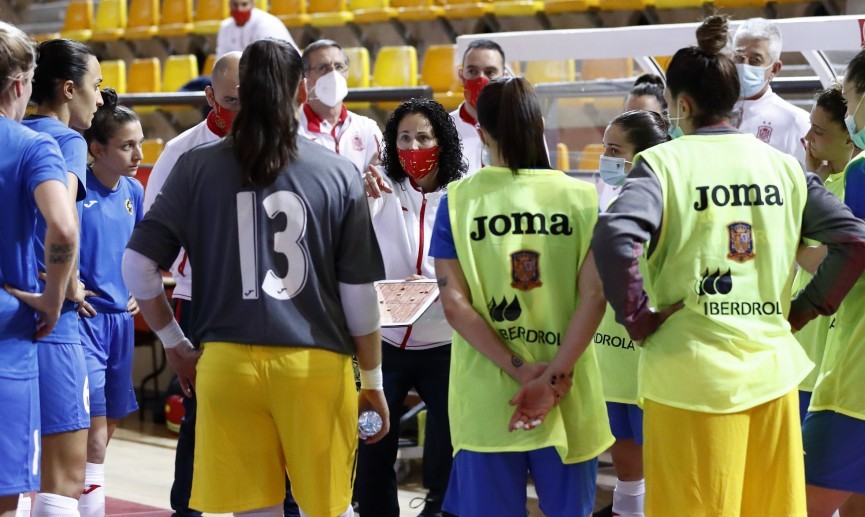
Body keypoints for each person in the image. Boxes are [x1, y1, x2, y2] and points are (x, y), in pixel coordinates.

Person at [592, 15, 865, 516]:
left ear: (683, 104)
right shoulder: (783, 166)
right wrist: (804, 310)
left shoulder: (665, 164)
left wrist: (637, 317)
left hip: (689, 379)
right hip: (772, 377)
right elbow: (853, 241)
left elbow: (613, 236)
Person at [123, 39, 389, 517]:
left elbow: (137, 267)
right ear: (301, 93)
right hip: (314, 365)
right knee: (329, 510)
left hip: (226, 365)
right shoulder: (338, 173)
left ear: (242, 93)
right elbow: (358, 295)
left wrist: (176, 343)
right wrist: (372, 380)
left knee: (253, 513)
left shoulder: (195, 165)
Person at [431, 77, 613, 517]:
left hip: (489, 396)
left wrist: (518, 368)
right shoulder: (582, 198)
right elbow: (595, 296)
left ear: (482, 133)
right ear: (540, 126)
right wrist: (551, 379)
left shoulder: (458, 201)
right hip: (568, 390)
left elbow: (455, 305)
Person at [142, 51, 300, 517]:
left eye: (248, 99)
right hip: (204, 300)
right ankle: (186, 510)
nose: (239, 110)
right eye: (230, 100)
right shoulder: (182, 153)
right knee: (199, 417)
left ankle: (284, 505)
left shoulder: (285, 147)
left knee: (279, 414)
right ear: (209, 96)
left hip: (276, 300)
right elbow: (150, 245)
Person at [355, 97, 467, 517]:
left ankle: (442, 509)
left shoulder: (462, 195)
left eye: (423, 136)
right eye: (404, 137)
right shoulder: (378, 185)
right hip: (383, 340)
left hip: (444, 340)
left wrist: (438, 286)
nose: (414, 146)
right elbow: (350, 248)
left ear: (442, 142)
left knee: (453, 439)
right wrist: (362, 197)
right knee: (372, 439)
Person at [22, 37, 103, 517]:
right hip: (52, 319)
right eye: (96, 85)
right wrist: (64, 283)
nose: (100, 96)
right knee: (63, 479)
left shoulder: (13, 133)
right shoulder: (67, 140)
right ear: (69, 89)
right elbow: (61, 219)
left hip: (11, 308)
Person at [0, 20, 78, 517]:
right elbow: (64, 228)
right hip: (6, 329)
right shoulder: (32, 145)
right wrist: (52, 296)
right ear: (19, 84)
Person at [593, 110, 669, 517]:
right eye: (605, 147)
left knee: (655, 445)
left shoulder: (663, 201)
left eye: (615, 150)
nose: (605, 158)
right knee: (619, 438)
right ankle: (627, 508)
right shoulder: (607, 194)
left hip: (646, 345)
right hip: (610, 344)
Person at [76, 88, 144, 517]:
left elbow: (139, 251)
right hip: (83, 321)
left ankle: (76, 487)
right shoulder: (74, 190)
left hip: (122, 322)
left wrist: (139, 288)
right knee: (93, 429)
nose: (138, 153)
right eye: (127, 145)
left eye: (140, 143)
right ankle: (86, 503)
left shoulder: (134, 192)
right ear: (97, 149)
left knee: (110, 421)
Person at [803, 49, 865, 517]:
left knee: (798, 502)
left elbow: (847, 260)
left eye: (850, 97)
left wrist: (799, 312)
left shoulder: (859, 176)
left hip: (855, 378)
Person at [792, 85, 853, 421]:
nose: (808, 138)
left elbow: (822, 262)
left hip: (831, 344)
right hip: (804, 344)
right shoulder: (820, 181)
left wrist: (789, 240)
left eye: (818, 130)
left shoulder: (854, 187)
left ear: (849, 136)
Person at [732, 17, 810, 166]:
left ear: (774, 69)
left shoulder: (796, 122)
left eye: (755, 60)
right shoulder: (714, 113)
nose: (744, 66)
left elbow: (809, 182)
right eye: (739, 57)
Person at [299, 40, 382, 175]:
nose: (333, 73)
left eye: (338, 66)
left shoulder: (367, 129)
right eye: (323, 68)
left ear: (347, 73)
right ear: (305, 77)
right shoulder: (293, 131)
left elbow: (385, 181)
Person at [449, 39, 507, 175]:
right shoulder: (441, 129)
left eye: (490, 72)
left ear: (504, 77)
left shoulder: (521, 128)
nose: (481, 79)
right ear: (462, 77)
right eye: (472, 71)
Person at [215, 0, 297, 57]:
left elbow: (269, 59)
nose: (239, 9)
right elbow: (221, 59)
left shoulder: (265, 23)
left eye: (244, 4)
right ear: (229, 5)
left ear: (252, 4)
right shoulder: (225, 27)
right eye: (235, 5)